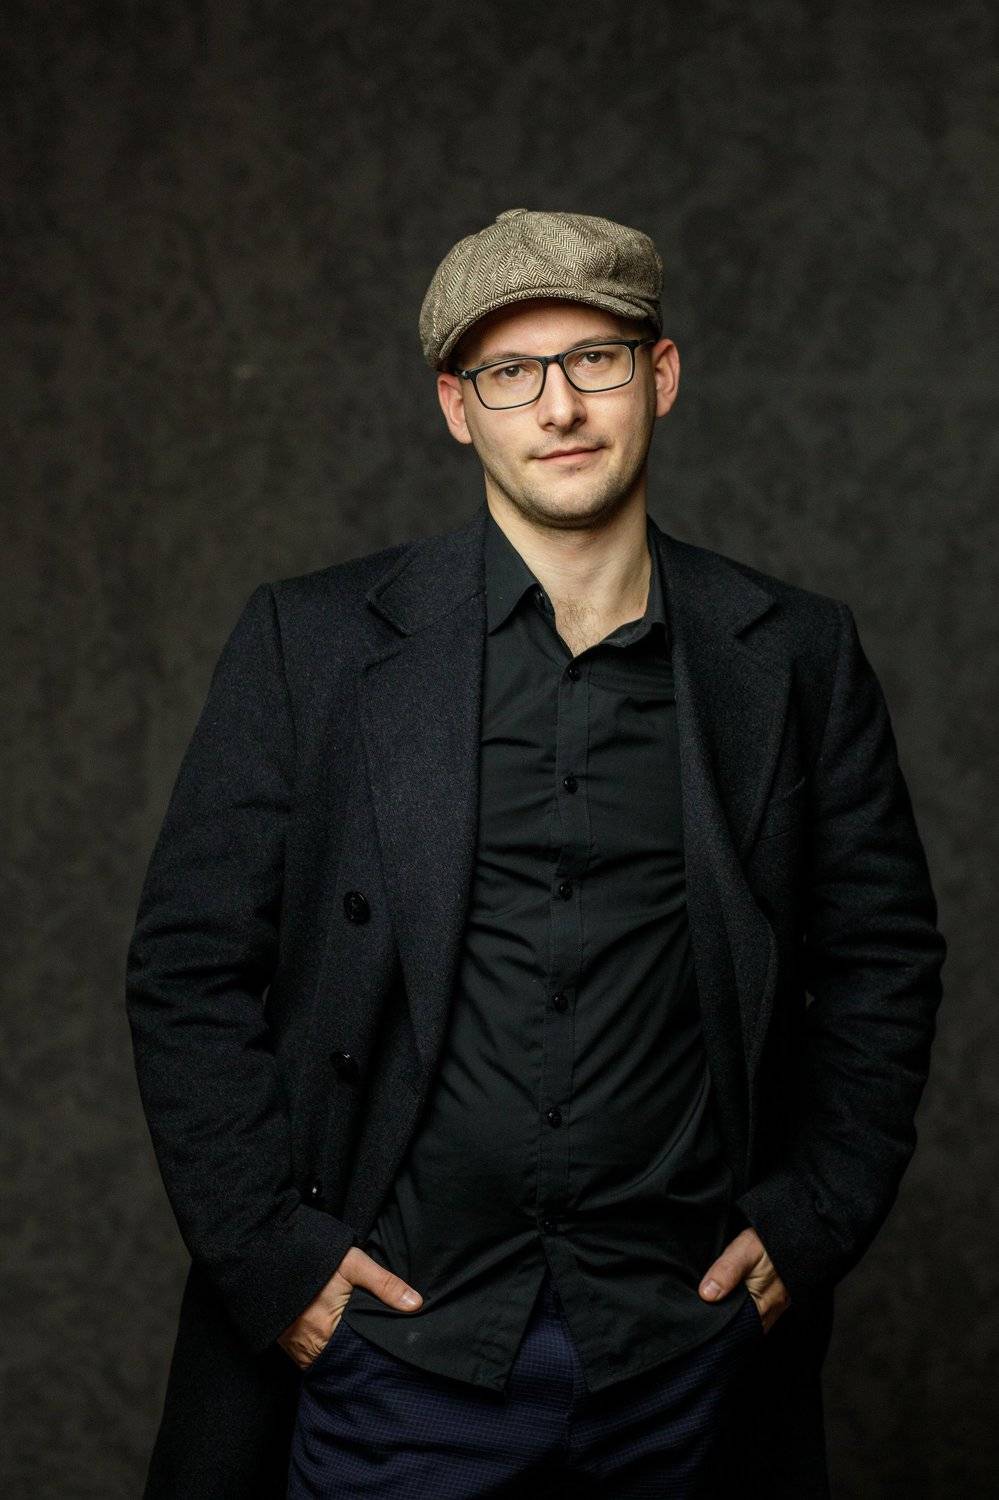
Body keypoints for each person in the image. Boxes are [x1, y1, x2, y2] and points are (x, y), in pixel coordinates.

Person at [125, 208, 946, 1499]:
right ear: (460, 409)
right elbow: (185, 969)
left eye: (595, 360)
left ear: (660, 376)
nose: (559, 406)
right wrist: (276, 1263)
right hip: (396, 1359)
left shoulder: (793, 655)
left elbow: (882, 960)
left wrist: (813, 1220)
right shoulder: (313, 646)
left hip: (687, 1363)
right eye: (511, 371)